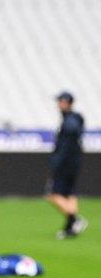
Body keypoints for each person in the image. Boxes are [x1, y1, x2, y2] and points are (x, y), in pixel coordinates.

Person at [46, 91, 87, 239]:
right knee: (70, 194)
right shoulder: (74, 119)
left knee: (52, 195)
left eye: (60, 101)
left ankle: (75, 219)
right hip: (73, 163)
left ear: (66, 102)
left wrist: (56, 163)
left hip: (65, 164)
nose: (58, 104)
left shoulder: (70, 122)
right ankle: (71, 227)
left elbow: (66, 146)